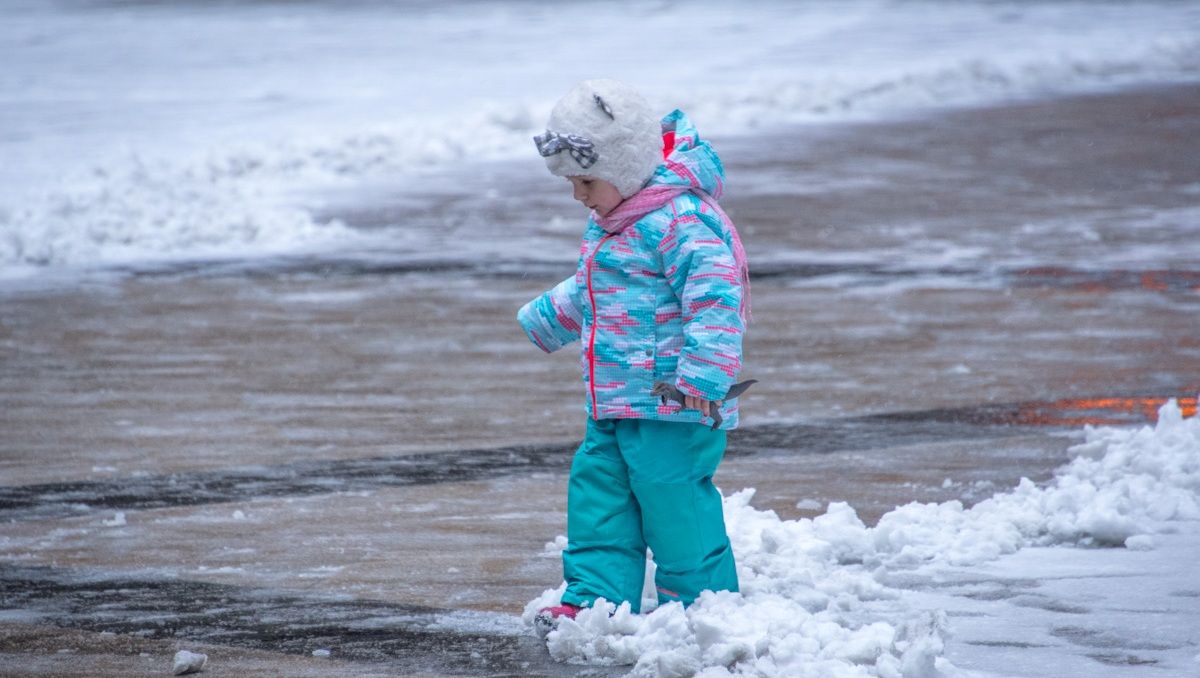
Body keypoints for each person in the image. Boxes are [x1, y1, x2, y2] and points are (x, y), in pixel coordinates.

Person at [517, 79, 751, 634]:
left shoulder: (679, 221)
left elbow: (717, 297)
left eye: (585, 180)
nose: (579, 194)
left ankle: (700, 606)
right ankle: (597, 597)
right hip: (613, 402)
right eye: (572, 182)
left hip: (675, 405)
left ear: (623, 167)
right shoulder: (613, 221)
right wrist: (549, 317)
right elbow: (598, 288)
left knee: (674, 508)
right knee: (600, 500)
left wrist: (703, 375)